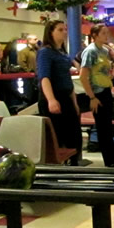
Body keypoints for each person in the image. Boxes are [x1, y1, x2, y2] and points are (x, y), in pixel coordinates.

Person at [79, 24, 114, 168]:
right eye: (103, 33)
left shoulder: (104, 51)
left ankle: (113, 157)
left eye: (106, 33)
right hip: (97, 93)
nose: (106, 35)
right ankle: (110, 160)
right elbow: (84, 76)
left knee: (107, 127)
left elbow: (107, 72)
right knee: (102, 127)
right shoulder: (90, 51)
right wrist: (92, 97)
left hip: (106, 91)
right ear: (94, 35)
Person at [36, 20, 82, 165]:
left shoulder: (62, 52)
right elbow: (44, 77)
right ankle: (59, 167)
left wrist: (74, 102)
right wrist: (51, 100)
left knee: (74, 135)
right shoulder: (45, 52)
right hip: (53, 96)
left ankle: (73, 165)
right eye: (60, 30)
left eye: (65, 29)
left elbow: (67, 79)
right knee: (58, 135)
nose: (64, 32)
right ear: (51, 32)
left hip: (66, 96)